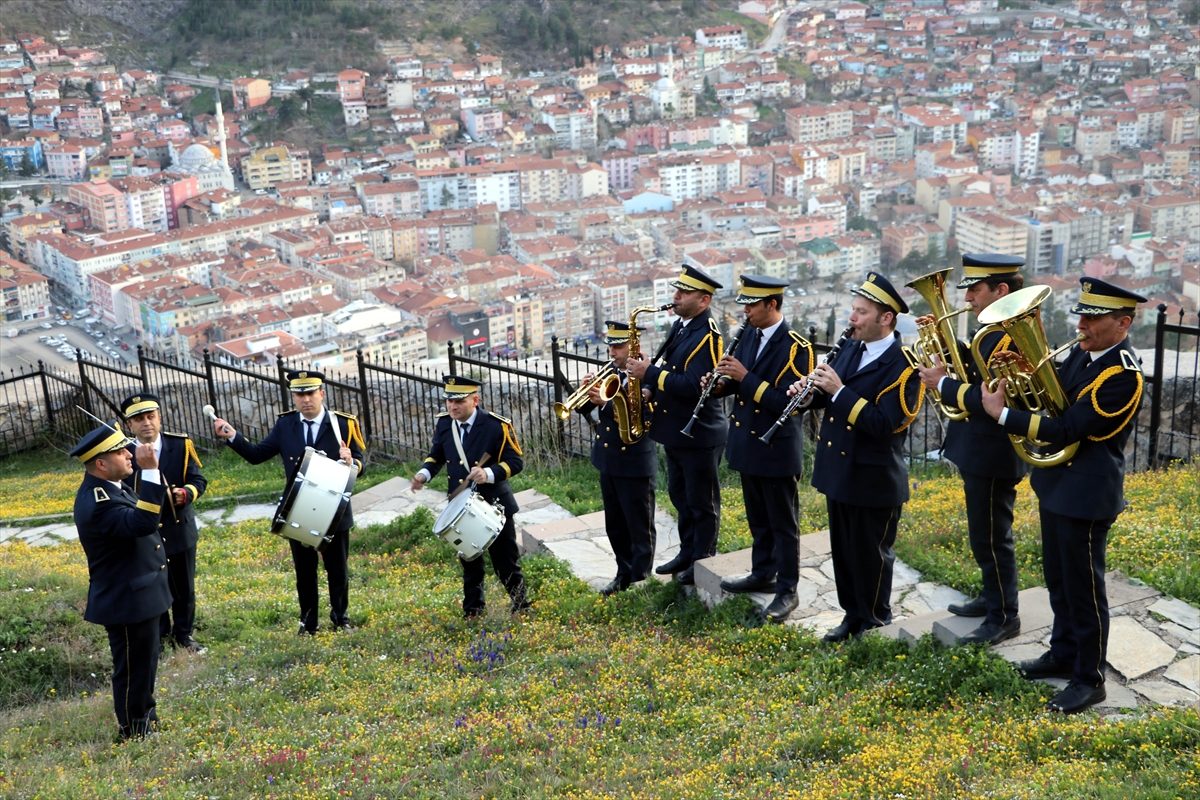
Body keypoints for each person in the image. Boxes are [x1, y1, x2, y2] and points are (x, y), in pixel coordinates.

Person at [980, 278, 1146, 714]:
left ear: (1122, 324)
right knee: (1059, 580)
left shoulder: (1121, 376)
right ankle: (1063, 652)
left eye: (1093, 319)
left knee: (1085, 591)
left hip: (1088, 494)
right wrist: (1021, 368)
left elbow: (1070, 427)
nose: (1082, 325)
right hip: (1057, 486)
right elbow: (1052, 392)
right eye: (1082, 315)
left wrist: (1004, 416)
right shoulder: (1081, 354)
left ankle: (1089, 678)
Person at [791, 272, 925, 642]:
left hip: (873, 478)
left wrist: (837, 390)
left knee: (872, 558)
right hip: (840, 471)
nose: (852, 318)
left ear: (886, 319)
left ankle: (875, 622)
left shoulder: (904, 366)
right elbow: (828, 394)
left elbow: (884, 423)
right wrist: (808, 393)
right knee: (845, 554)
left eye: (861, 312)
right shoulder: (852, 346)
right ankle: (852, 616)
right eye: (853, 310)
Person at [915, 255, 1029, 646]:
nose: (969, 298)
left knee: (994, 536)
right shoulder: (993, 332)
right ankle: (990, 596)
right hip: (978, 448)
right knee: (983, 534)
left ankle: (1003, 615)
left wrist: (943, 384)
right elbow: (978, 373)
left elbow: (993, 397)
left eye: (975, 290)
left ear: (1001, 291)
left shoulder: (1013, 334)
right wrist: (952, 350)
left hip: (995, 452)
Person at [211, 370, 365, 635]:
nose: (305, 400)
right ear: (293, 397)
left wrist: (352, 462)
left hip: (333, 510)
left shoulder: (342, 423)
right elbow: (258, 455)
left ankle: (341, 618)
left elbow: (362, 463)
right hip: (299, 509)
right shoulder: (286, 425)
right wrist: (232, 436)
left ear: (321, 394)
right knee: (305, 572)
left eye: (310, 393)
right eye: (299, 394)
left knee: (337, 570)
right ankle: (308, 623)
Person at [705, 275, 815, 622]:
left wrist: (742, 377)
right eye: (745, 304)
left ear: (773, 304)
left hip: (776, 446)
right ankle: (762, 572)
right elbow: (740, 388)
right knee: (758, 517)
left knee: (783, 522)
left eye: (752, 305)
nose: (746, 311)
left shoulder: (797, 347)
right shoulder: (749, 335)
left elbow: (788, 402)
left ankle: (787, 590)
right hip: (748, 441)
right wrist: (720, 385)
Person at [625, 264, 727, 586]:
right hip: (675, 430)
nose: (676, 297)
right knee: (680, 494)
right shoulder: (681, 326)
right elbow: (665, 365)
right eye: (677, 290)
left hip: (699, 432)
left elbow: (693, 385)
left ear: (704, 300)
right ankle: (687, 551)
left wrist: (649, 375)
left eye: (684, 293)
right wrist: (647, 389)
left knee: (702, 500)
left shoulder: (708, 336)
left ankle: (703, 559)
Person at [71, 422, 171, 740]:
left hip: (141, 594)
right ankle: (133, 729)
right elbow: (143, 522)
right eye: (120, 451)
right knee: (132, 669)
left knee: (146, 662)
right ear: (101, 463)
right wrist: (151, 470)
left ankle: (146, 714)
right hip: (126, 600)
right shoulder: (97, 503)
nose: (129, 454)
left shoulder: (113, 486)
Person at [410, 376, 531, 618]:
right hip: (461, 504)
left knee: (505, 560)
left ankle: (521, 604)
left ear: (475, 400)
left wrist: (488, 473)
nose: (452, 407)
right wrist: (424, 474)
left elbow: (516, 462)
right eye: (448, 401)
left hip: (494, 503)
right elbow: (436, 456)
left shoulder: (496, 426)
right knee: (469, 559)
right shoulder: (445, 424)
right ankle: (473, 609)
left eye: (459, 402)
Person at [120, 393, 209, 654]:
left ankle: (184, 635)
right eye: (138, 419)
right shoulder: (124, 453)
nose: (146, 423)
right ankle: (159, 636)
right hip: (145, 532)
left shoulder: (180, 445)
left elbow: (198, 480)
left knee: (184, 586)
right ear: (129, 425)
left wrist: (186, 493)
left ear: (159, 418)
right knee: (153, 586)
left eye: (150, 416)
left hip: (179, 527)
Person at [575, 321, 658, 596]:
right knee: (615, 525)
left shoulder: (649, 374)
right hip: (608, 459)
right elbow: (586, 408)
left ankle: (640, 579)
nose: (612, 352)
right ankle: (623, 573)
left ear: (634, 346)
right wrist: (587, 392)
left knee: (639, 526)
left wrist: (605, 403)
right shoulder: (611, 371)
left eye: (618, 346)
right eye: (610, 345)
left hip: (634, 461)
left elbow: (643, 416)